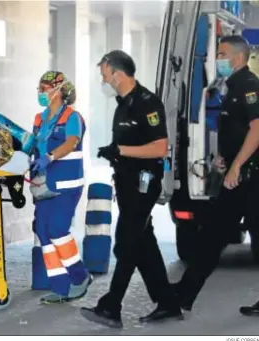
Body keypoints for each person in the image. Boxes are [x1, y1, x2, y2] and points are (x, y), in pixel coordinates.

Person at [80, 50, 183, 328]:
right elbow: (129, 147)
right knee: (142, 242)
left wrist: (121, 149)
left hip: (143, 183)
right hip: (126, 183)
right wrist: (115, 154)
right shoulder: (122, 104)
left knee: (127, 243)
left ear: (118, 74)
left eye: (104, 75)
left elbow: (160, 147)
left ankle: (111, 306)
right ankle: (168, 303)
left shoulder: (147, 103)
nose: (102, 80)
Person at [169, 35, 259, 317]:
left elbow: (257, 129)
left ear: (238, 58)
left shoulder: (248, 85)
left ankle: (185, 292)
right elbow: (238, 130)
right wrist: (225, 158)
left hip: (251, 178)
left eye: (221, 53)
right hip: (238, 177)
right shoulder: (230, 87)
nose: (217, 58)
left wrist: (236, 165)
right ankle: (184, 293)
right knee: (213, 236)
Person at [29, 71, 92, 303]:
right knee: (43, 232)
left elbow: (71, 142)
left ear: (58, 91)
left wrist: (50, 156)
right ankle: (60, 288)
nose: (40, 93)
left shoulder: (72, 117)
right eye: (39, 88)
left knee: (57, 229)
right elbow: (33, 145)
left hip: (67, 184)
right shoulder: (39, 118)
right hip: (43, 184)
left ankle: (80, 277)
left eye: (43, 88)